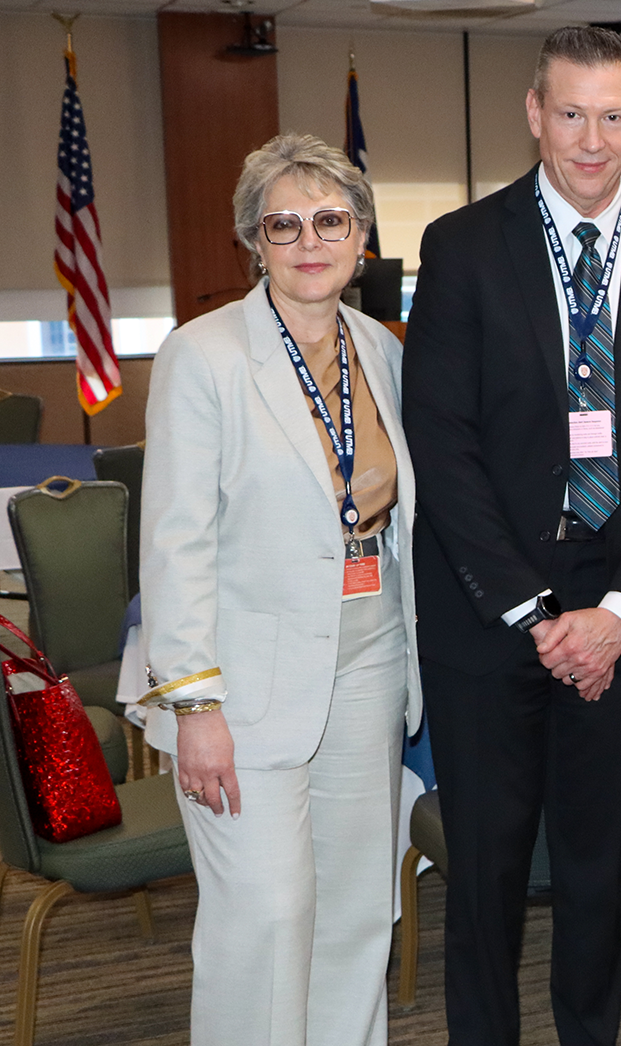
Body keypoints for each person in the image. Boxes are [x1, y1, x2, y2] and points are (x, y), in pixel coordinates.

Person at [401, 26, 621, 1046]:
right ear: (536, 113)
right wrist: (535, 611)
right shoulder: (460, 246)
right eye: (572, 113)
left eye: (613, 116)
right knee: (485, 877)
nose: (592, 139)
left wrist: (618, 613)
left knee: (595, 874)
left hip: (619, 621)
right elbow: (440, 442)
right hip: (489, 614)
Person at [141, 132, 420, 1046]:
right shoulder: (203, 355)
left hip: (369, 658)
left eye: (330, 221)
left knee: (355, 913)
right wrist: (194, 706)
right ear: (253, 241)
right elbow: (174, 543)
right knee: (264, 920)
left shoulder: (382, 349)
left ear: (362, 237)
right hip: (242, 685)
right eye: (283, 224)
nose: (310, 241)